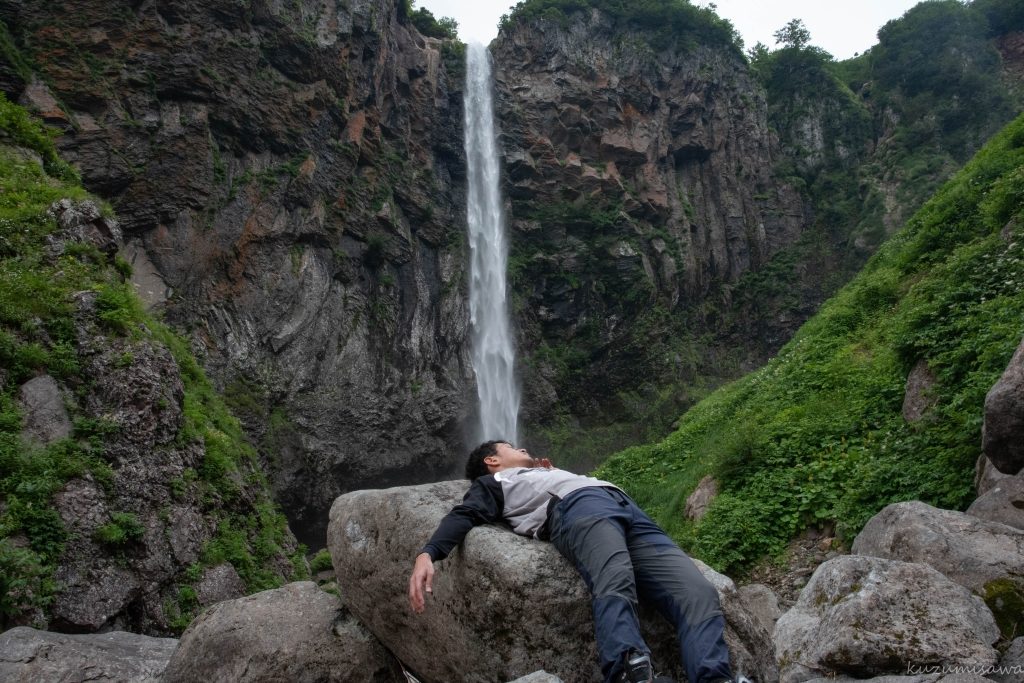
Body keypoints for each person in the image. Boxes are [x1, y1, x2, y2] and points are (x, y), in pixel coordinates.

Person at [407, 440, 749, 683]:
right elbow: (464, 513)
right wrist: (429, 553)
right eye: (510, 446)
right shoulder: (493, 482)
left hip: (626, 509)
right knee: (614, 577)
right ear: (492, 461)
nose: (522, 447)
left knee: (697, 592)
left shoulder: (544, 471)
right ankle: (630, 671)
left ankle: (714, 676)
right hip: (580, 508)